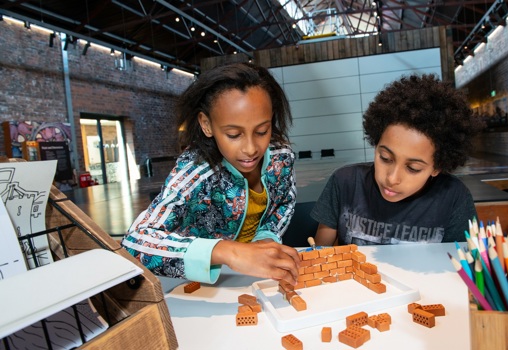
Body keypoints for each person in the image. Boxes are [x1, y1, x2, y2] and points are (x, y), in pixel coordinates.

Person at [122, 62, 300, 285]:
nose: (251, 148)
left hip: (253, 277)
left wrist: (264, 239)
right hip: (197, 284)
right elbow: (133, 242)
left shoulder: (280, 155)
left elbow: (284, 202)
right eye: (234, 134)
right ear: (206, 124)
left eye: (262, 131)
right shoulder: (195, 170)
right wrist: (229, 252)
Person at [312, 74, 482, 246]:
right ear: (376, 143)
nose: (392, 179)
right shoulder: (345, 182)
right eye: (385, 158)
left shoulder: (453, 196)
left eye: (413, 168)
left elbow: (464, 262)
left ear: (437, 166)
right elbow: (320, 255)